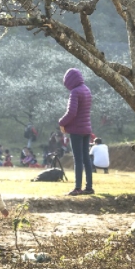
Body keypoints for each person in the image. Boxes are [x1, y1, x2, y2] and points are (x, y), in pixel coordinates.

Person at [58, 68, 93, 196]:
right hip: (86, 129)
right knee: (86, 159)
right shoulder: (86, 90)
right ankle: (89, 187)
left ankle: (77, 187)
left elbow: (72, 113)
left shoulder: (75, 92)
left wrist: (61, 122)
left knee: (78, 159)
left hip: (77, 131)